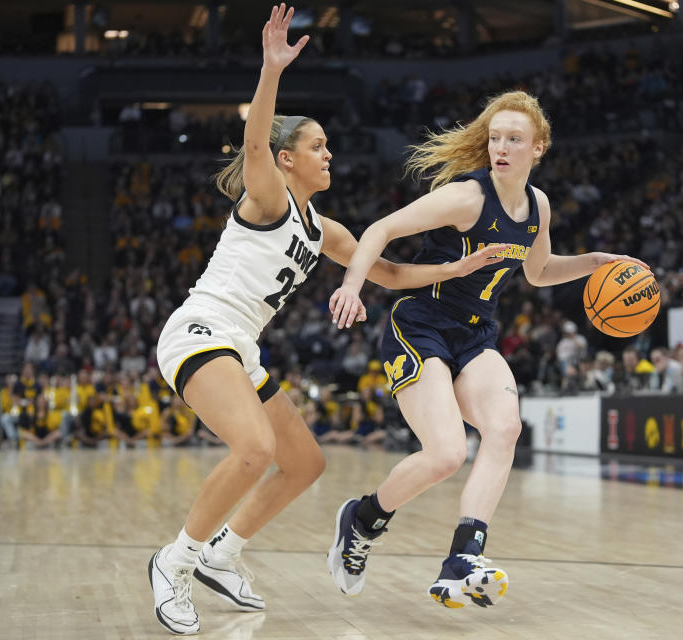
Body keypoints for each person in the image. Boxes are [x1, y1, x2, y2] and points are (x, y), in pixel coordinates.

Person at [146, 5, 505, 635]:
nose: (328, 154)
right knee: (255, 449)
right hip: (200, 330)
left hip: (241, 348)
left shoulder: (322, 228)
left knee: (306, 464)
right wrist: (270, 71)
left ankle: (223, 554)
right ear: (288, 160)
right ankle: (174, 562)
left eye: (328, 145)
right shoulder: (268, 196)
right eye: (317, 146)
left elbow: (389, 274)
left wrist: (457, 268)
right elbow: (256, 138)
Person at [326, 89, 647, 608]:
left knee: (505, 427)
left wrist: (594, 261)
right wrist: (351, 285)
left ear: (538, 148)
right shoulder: (467, 197)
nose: (501, 147)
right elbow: (382, 229)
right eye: (495, 138)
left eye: (514, 139)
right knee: (447, 454)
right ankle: (360, 521)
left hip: (475, 333)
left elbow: (539, 273)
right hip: (422, 324)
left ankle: (463, 557)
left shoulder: (538, 205)